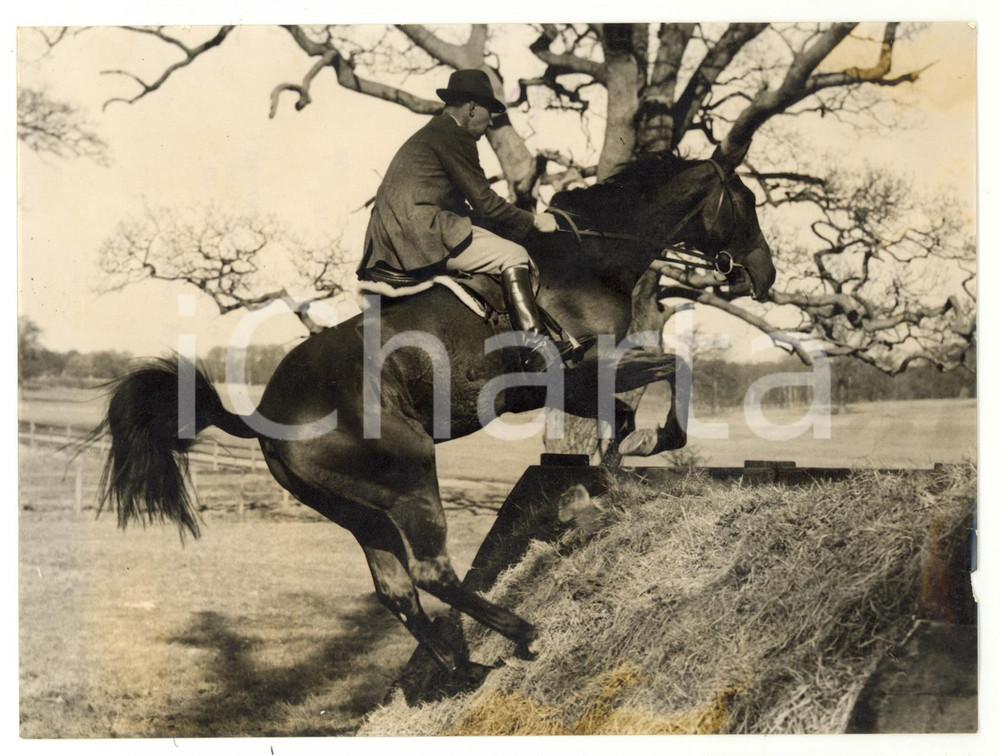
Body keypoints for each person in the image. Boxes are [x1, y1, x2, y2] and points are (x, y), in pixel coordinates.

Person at [357, 68, 580, 369]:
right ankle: (537, 350)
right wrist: (534, 221)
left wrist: (504, 223)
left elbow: (466, 208)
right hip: (419, 232)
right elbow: (486, 204)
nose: (490, 123)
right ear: (473, 108)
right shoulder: (455, 135)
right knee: (514, 255)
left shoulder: (433, 132)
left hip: (392, 237)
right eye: (490, 114)